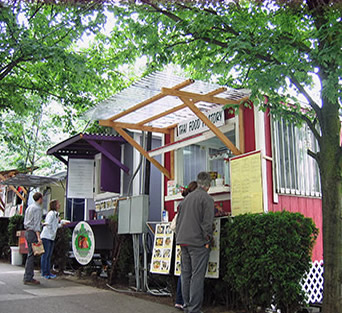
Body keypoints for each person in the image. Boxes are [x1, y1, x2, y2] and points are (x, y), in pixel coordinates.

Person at [176, 172, 214, 313]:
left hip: (182, 241)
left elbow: (178, 221)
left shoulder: (186, 199)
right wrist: (207, 239)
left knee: (186, 275)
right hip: (197, 243)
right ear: (208, 185)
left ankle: (186, 306)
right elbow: (207, 223)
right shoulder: (207, 199)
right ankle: (194, 309)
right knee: (197, 277)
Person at [175, 181, 198, 310]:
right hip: (194, 241)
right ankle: (190, 304)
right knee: (194, 274)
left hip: (181, 240)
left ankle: (182, 302)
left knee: (184, 272)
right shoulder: (194, 203)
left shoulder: (182, 204)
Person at [23, 192, 43, 285]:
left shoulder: (29, 207)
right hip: (33, 232)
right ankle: (28, 277)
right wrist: (39, 237)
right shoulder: (38, 209)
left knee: (30, 254)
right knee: (32, 254)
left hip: (27, 231)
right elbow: (36, 225)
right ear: (40, 198)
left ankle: (28, 276)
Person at [40, 199, 62, 279]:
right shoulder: (51, 214)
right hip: (47, 236)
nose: (59, 205)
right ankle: (44, 272)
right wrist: (52, 231)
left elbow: (54, 225)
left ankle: (47, 272)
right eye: (58, 204)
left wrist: (61, 224)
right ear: (55, 205)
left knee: (48, 255)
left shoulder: (55, 214)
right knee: (46, 255)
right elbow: (48, 224)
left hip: (51, 237)